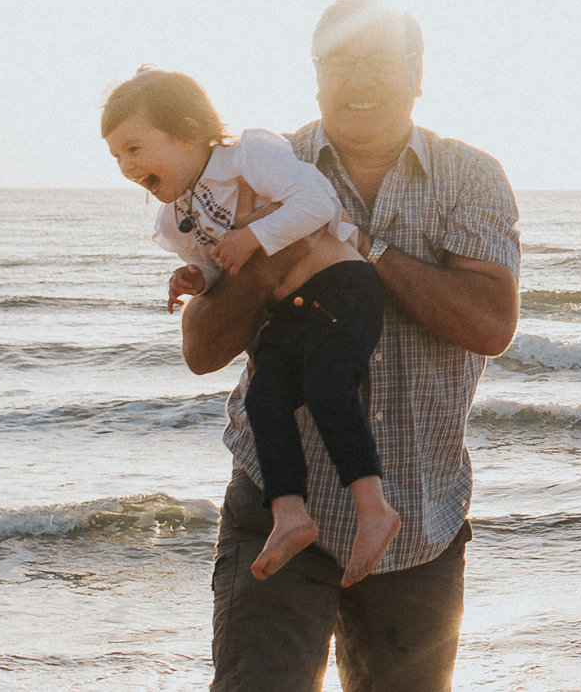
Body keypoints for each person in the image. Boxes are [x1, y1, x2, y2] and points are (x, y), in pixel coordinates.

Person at [184, 0, 520, 692]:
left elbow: (490, 323)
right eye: (339, 61)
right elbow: (203, 346)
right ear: (315, 72)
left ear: (417, 72)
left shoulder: (470, 177)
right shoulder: (261, 170)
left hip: (417, 517)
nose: (358, 79)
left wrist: (364, 250)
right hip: (280, 509)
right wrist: (275, 251)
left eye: (379, 61)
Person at [99, 67, 402, 584]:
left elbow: (317, 202)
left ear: (190, 131)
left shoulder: (247, 156)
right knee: (263, 399)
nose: (127, 166)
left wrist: (256, 234)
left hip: (341, 285)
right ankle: (290, 516)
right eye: (116, 157)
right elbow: (224, 269)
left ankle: (374, 511)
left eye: (134, 148)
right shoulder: (175, 218)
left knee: (329, 385)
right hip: (289, 310)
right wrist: (195, 276)